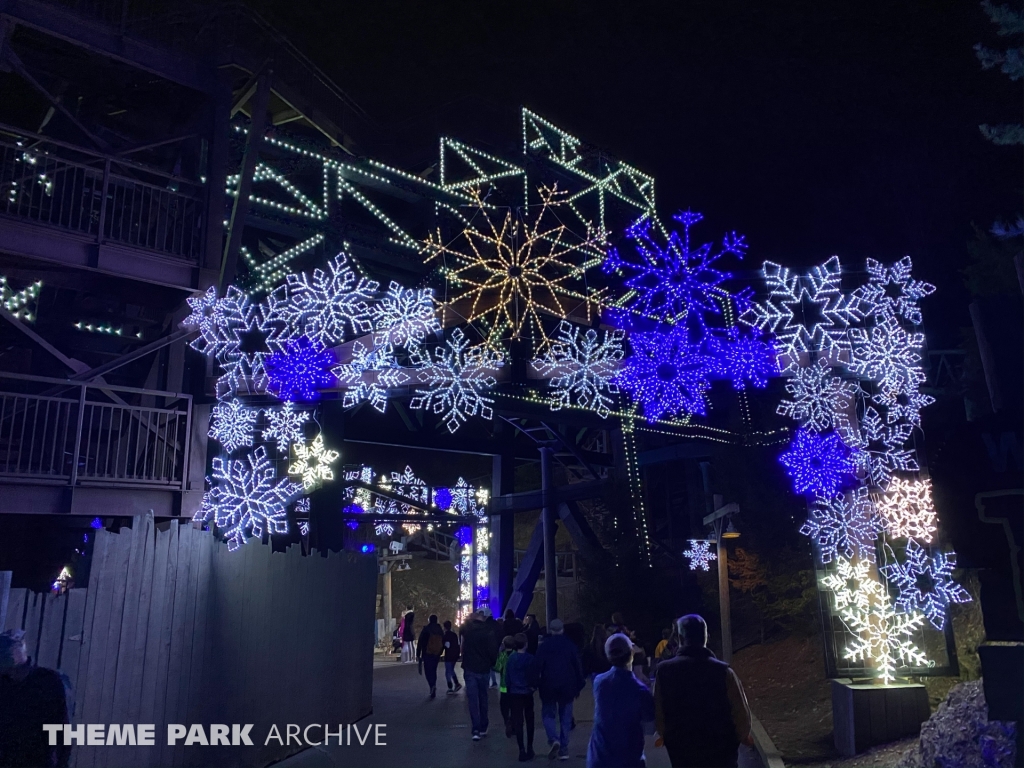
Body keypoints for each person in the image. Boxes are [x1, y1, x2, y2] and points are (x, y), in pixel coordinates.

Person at [654, 615, 751, 768]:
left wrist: (668, 737)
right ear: (705, 637)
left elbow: (659, 715)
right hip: (721, 754)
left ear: (679, 638)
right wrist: (736, 739)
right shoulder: (723, 671)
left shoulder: (664, 672)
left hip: (682, 753)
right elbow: (741, 714)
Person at [0, 629, 71, 768]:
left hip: (38, 760)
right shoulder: (4, 683)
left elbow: (62, 728)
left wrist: (61, 762)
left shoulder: (50, 682)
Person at [587, 633, 655, 768]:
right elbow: (650, 726)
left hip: (599, 757)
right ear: (631, 654)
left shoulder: (599, 682)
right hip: (629, 759)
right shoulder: (640, 691)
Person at [529, 618, 585, 761]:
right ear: (562, 630)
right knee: (566, 716)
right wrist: (579, 684)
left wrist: (534, 683)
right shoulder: (570, 645)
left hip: (548, 685)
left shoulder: (544, 646)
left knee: (548, 714)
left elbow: (537, 666)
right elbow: (577, 666)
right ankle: (564, 749)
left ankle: (553, 739)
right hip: (567, 686)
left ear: (550, 630)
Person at [461, 610, 499, 741]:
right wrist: (492, 663)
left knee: (472, 700)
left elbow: (464, 648)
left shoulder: (467, 631)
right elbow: (493, 650)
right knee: (483, 697)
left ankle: (475, 728)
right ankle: (484, 725)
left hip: (470, 668)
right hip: (483, 669)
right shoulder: (488, 631)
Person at [506, 633, 536, 762]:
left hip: (514, 693)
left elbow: (507, 677)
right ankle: (530, 747)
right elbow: (534, 675)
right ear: (526, 644)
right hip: (527, 693)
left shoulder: (511, 659)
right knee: (530, 720)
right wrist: (533, 687)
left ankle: (521, 750)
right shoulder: (530, 658)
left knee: (518, 722)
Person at [417, 614, 445, 699]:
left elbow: (420, 642)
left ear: (429, 620)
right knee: (433, 669)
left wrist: (418, 653)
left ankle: (431, 685)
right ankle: (433, 684)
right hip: (436, 654)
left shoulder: (426, 629)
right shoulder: (440, 630)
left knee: (428, 671)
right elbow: (443, 642)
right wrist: (440, 651)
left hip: (427, 653)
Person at [494, 635, 516, 736]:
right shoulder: (516, 655)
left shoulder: (502, 655)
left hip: (504, 685)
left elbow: (497, 668)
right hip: (515, 685)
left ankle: (506, 720)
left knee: (504, 705)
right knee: (514, 706)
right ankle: (513, 721)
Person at [442, 620, 462, 694]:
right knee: (450, 670)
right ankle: (454, 685)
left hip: (449, 655)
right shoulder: (454, 635)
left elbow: (446, 646)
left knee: (449, 671)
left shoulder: (445, 636)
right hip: (455, 655)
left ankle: (452, 685)